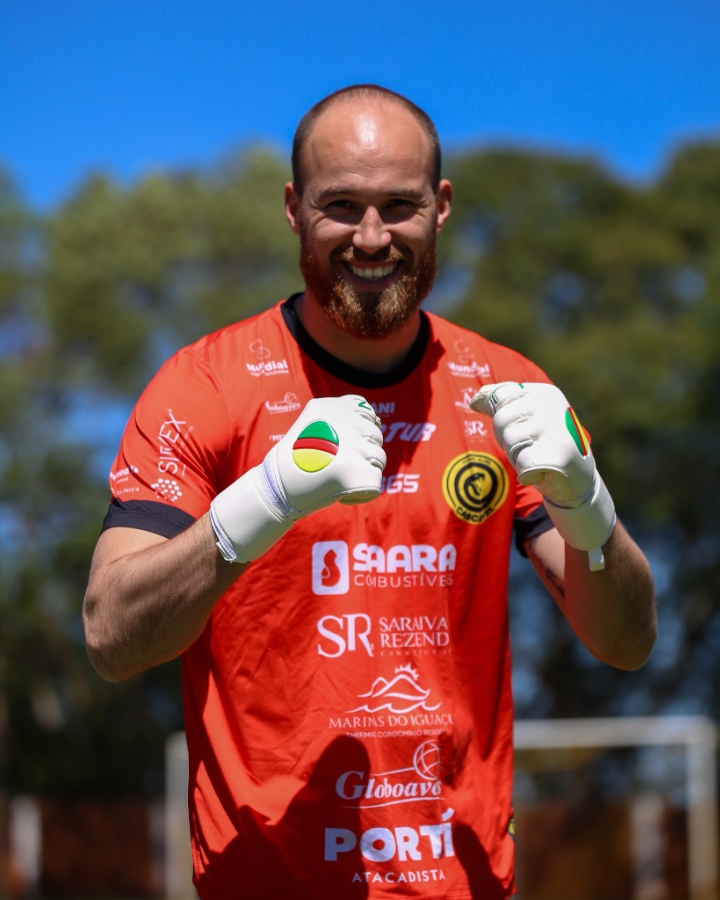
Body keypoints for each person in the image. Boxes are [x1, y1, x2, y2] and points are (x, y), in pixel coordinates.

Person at [83, 84, 656, 899]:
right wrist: (266, 497)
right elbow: (112, 634)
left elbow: (626, 641)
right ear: (292, 208)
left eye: (399, 205)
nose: (373, 237)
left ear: (441, 206)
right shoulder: (203, 387)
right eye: (341, 206)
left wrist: (589, 510)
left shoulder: (507, 390)